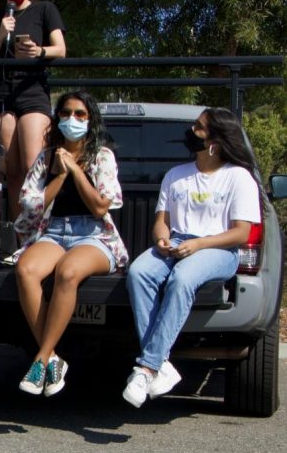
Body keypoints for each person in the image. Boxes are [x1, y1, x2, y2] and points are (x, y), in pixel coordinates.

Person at [122, 108, 261, 408]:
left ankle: (147, 368)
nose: (191, 131)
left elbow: (240, 233)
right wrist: (161, 238)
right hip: (177, 243)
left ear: (216, 141)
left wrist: (199, 245)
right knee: (139, 272)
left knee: (182, 278)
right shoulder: (176, 175)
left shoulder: (239, 178)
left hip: (219, 250)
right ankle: (161, 364)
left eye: (199, 127)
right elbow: (161, 220)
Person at [13, 91, 128, 396]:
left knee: (67, 273)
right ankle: (52, 358)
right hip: (54, 232)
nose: (72, 120)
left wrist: (77, 170)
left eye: (80, 114)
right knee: (26, 270)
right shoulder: (47, 157)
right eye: (65, 113)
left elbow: (102, 206)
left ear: (90, 121)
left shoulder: (101, 157)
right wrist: (60, 176)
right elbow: (31, 203)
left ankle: (40, 357)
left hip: (93, 235)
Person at [0, 0, 67, 222]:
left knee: (33, 165)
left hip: (33, 91)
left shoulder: (45, 9)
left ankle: (41, 229)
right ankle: (21, 236)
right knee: (12, 169)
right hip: (3, 93)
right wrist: (2, 34)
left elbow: (60, 50)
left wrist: (37, 51)